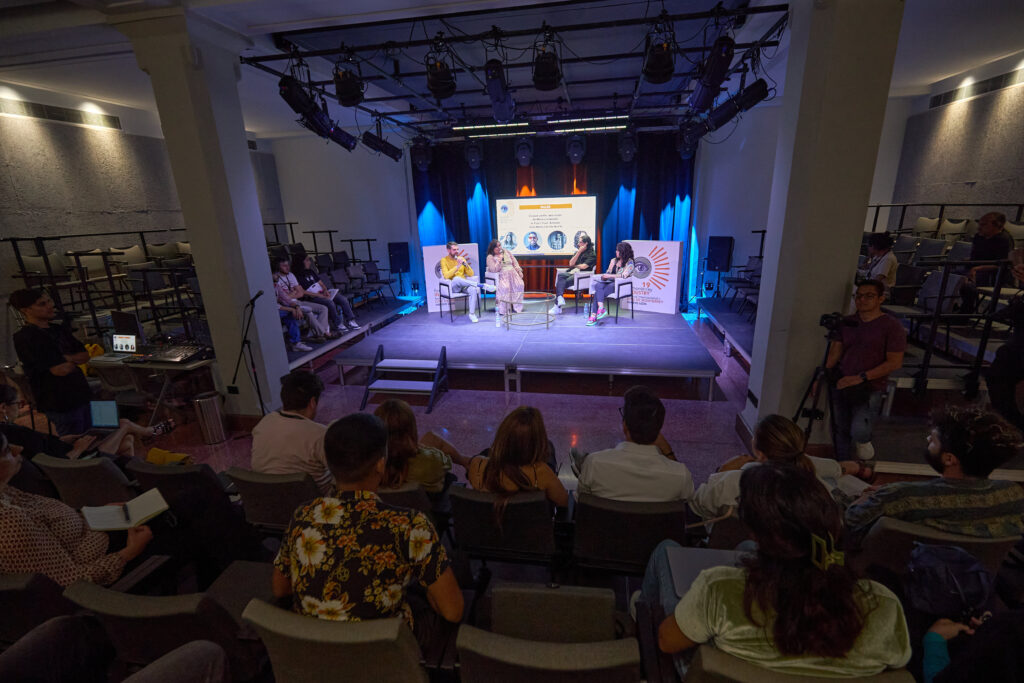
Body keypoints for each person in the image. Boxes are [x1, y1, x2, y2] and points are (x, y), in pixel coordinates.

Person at [641, 464, 911, 678]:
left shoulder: (718, 589)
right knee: (743, 550)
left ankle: (640, 611)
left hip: (721, 671)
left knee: (665, 550)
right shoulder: (883, 605)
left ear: (757, 532)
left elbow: (667, 642)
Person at [272, 413, 463, 650]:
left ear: (330, 465)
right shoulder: (410, 525)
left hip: (316, 648)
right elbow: (453, 611)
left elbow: (280, 588)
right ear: (380, 465)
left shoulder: (303, 514)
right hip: (384, 650)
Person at [845, 405, 1024, 541]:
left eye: (933, 440)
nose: (927, 439)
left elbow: (849, 523)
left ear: (949, 459)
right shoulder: (1012, 494)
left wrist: (866, 497)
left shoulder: (900, 496)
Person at [0, 431, 154, 586]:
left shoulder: (5, 491)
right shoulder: (11, 526)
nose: (18, 448)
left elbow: (48, 519)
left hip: (95, 531)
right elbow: (71, 582)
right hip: (108, 560)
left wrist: (95, 514)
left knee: (153, 506)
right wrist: (130, 552)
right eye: (6, 450)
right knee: (162, 516)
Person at [689, 414, 866, 520]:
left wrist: (721, 472)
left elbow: (697, 506)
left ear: (760, 453)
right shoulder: (819, 490)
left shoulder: (731, 482)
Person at [823, 279, 906, 467]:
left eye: (869, 296)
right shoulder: (847, 322)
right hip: (842, 380)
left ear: (880, 299)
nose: (862, 300)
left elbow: (894, 361)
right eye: (858, 296)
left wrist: (861, 377)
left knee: (860, 429)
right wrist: (823, 375)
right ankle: (843, 464)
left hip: (870, 385)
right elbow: (835, 352)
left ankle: (862, 456)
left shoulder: (892, 326)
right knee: (839, 427)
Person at [578, 386, 693, 502]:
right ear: (659, 428)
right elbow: (686, 501)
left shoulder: (594, 464)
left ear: (625, 426)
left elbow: (582, 500)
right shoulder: (680, 476)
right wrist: (668, 451)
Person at [10, 289, 93, 436]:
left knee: (97, 434)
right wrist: (72, 359)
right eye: (42, 304)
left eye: (49, 301)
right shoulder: (25, 337)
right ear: (25, 310)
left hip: (82, 395)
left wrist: (67, 359)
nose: (50, 306)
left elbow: (85, 355)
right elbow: (60, 370)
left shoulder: (58, 329)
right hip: (59, 402)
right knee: (74, 440)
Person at [463, 407, 569, 508]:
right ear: (536, 443)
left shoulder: (477, 465)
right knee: (549, 446)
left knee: (487, 452)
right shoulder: (542, 473)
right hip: (529, 521)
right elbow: (565, 503)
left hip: (489, 521)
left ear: (502, 435)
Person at [250, 370, 332, 494]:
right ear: (312, 402)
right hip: (314, 503)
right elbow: (344, 473)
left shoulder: (264, 423)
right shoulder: (319, 434)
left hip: (266, 498)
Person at [373, 398, 457, 493]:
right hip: (433, 501)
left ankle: (467, 462)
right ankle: (468, 463)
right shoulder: (430, 462)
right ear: (411, 430)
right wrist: (418, 448)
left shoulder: (368, 468)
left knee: (431, 437)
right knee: (441, 433)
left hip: (389, 501)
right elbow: (447, 462)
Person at [290, 254, 361, 332]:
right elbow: (303, 292)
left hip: (321, 293)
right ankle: (338, 323)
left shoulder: (310, 271)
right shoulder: (295, 276)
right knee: (330, 302)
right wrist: (319, 295)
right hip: (312, 297)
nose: (309, 262)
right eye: (307, 260)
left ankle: (351, 320)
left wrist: (325, 290)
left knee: (342, 299)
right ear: (300, 262)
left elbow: (321, 283)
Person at [961, 212, 1014, 312]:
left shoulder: (1004, 239)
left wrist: (976, 269)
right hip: (976, 270)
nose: (979, 228)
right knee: (947, 277)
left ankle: (965, 314)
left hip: (993, 276)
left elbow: (1002, 265)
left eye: (983, 224)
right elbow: (975, 257)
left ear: (997, 226)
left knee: (967, 285)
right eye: (979, 224)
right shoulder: (979, 237)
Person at [273, 258, 333, 340]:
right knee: (308, 311)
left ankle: (320, 334)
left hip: (298, 302)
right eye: (284, 266)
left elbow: (301, 293)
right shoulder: (275, 278)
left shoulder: (291, 275)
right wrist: (294, 292)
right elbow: (281, 299)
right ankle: (325, 333)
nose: (287, 267)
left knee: (324, 308)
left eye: (288, 265)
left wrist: (290, 295)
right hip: (288, 305)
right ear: (278, 267)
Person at [586, 241, 635, 326]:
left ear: (623, 251)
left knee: (597, 293)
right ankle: (601, 308)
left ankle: (594, 315)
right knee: (598, 285)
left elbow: (624, 275)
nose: (616, 252)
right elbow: (608, 272)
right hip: (610, 281)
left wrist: (610, 276)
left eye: (618, 250)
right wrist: (605, 276)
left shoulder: (630, 263)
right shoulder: (614, 260)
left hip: (619, 284)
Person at [440, 241, 490, 323]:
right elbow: (446, 276)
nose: (456, 251)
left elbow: (471, 274)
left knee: (473, 290)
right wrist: (457, 266)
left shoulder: (461, 259)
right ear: (448, 250)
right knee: (456, 279)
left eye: (457, 249)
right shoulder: (444, 260)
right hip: (454, 287)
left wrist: (465, 264)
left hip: (464, 286)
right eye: (454, 250)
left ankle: (472, 314)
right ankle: (479, 285)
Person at [551, 234, 597, 314]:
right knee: (561, 276)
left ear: (586, 243)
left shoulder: (592, 254)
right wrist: (579, 252)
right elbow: (571, 263)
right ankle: (560, 298)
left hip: (582, 276)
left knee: (561, 282)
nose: (578, 244)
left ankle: (557, 306)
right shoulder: (577, 252)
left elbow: (583, 266)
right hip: (573, 273)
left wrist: (575, 266)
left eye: (580, 242)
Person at [485, 239, 524, 327]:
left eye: (499, 245)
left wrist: (519, 270)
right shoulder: (490, 257)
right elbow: (493, 270)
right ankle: (504, 309)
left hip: (513, 273)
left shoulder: (506, 252)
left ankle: (517, 307)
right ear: (493, 248)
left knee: (520, 285)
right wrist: (499, 261)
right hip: (502, 275)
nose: (499, 248)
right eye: (496, 247)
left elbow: (515, 262)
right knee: (505, 288)